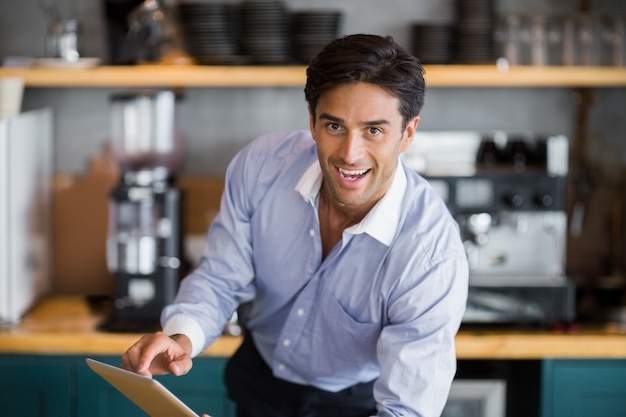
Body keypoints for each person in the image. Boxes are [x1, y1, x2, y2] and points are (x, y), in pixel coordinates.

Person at [122, 33, 469, 417]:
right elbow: (221, 277)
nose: (350, 154)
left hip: (353, 402)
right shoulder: (262, 167)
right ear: (313, 121)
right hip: (259, 377)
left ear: (407, 133)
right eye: (334, 126)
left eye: (374, 130)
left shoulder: (430, 255)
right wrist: (180, 338)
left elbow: (408, 411)